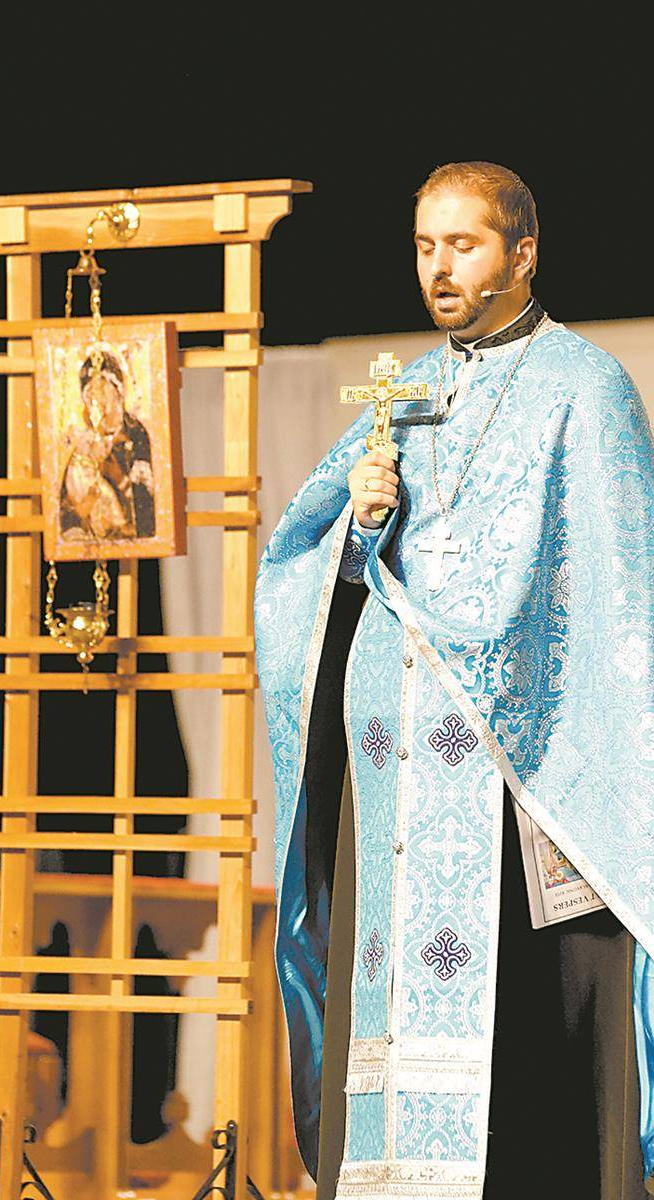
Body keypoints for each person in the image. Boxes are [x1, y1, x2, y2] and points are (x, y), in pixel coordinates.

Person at [254, 162, 654, 1199]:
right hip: (396, 780)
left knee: (522, 1064)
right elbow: (317, 571)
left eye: (462, 246)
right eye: (425, 246)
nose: (438, 269)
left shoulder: (583, 387)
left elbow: (614, 600)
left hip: (510, 776)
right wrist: (359, 520)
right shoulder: (404, 392)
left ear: (521, 253)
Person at [60, 349, 156, 541]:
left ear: (119, 393)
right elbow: (67, 514)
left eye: (103, 391)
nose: (98, 403)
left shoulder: (136, 435)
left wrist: (118, 477)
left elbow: (147, 507)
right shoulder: (81, 442)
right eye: (90, 396)